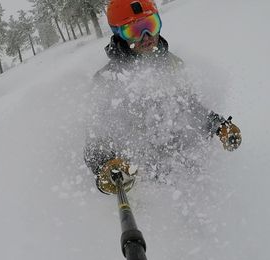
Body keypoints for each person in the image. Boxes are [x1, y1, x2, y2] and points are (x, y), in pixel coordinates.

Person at [84, 0, 241, 194]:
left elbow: (189, 108)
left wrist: (217, 125)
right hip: (141, 181)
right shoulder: (107, 80)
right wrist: (104, 165)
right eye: (134, 31)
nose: (146, 36)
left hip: (182, 169)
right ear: (118, 35)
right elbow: (94, 138)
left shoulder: (173, 64)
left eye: (150, 25)